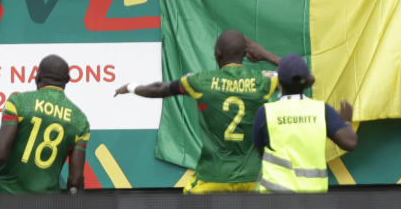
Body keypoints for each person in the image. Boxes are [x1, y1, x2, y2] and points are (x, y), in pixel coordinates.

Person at [116, 30, 280, 194]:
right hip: (252, 178)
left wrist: (131, 87)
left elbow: (160, 89)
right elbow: (300, 76)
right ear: (245, 54)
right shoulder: (263, 81)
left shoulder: (201, 81)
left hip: (213, 177)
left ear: (217, 53)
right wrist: (266, 55)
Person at [0, 54, 89, 195]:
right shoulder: (80, 121)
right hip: (46, 206)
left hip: (3, 197)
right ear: (67, 80)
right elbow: (75, 180)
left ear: (37, 76)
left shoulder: (19, 102)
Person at [253, 54, 357, 193]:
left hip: (275, 198)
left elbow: (259, 151)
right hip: (312, 199)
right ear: (307, 82)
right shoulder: (321, 110)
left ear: (279, 83)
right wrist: (346, 122)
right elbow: (350, 142)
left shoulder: (265, 112)